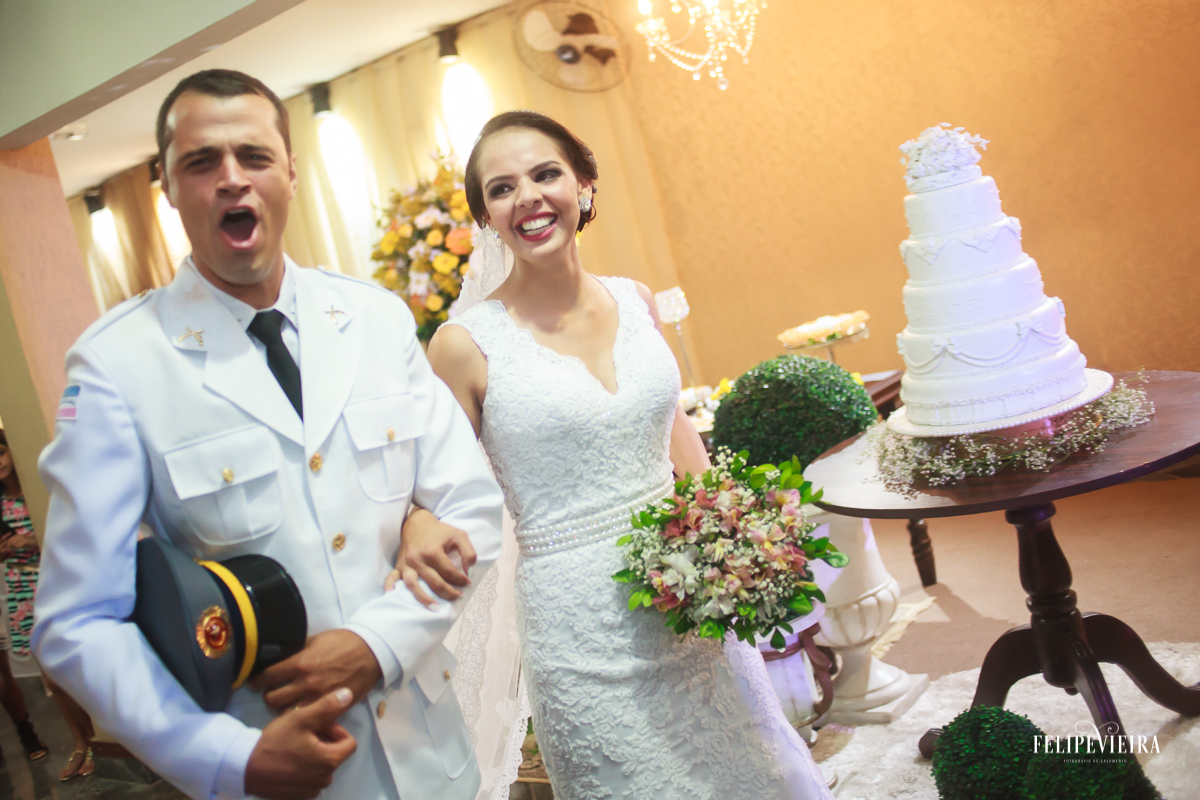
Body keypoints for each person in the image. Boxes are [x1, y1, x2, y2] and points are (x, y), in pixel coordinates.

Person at [32, 69, 504, 800]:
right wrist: (225, 759)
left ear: (288, 170)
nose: (231, 179)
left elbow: (471, 504)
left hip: (434, 760)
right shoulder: (117, 365)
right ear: (167, 186)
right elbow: (76, 621)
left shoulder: (373, 320)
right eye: (201, 162)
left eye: (253, 156)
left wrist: (376, 644)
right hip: (275, 767)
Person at [396, 110, 834, 800]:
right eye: (503, 188)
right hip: (579, 629)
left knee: (755, 771)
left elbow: (679, 441)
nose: (530, 198)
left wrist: (745, 543)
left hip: (694, 597)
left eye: (546, 174)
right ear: (485, 216)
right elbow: (432, 491)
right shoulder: (463, 345)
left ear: (585, 185)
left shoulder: (635, 301)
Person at [1, 429, 97, 781]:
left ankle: (97, 744)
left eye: (1, 454)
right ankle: (81, 744)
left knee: (75, 672)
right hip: (20, 589)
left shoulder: (36, 490)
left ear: (12, 453)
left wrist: (32, 539)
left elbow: (63, 534)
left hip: (55, 583)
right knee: (51, 681)